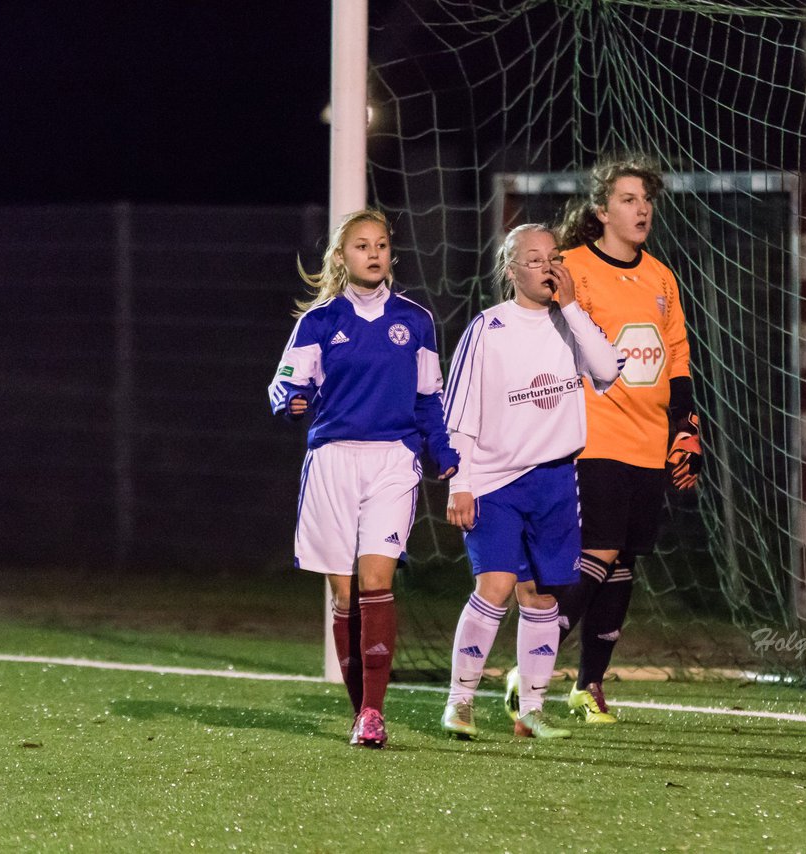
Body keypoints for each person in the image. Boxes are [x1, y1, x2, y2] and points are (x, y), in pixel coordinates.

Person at [506, 153, 701, 724]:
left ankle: (587, 686)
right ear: (601, 211)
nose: (642, 210)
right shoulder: (570, 267)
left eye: (647, 200)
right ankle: (533, 663)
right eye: (628, 200)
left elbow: (677, 356)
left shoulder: (661, 276)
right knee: (600, 550)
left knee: (623, 563)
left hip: (648, 439)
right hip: (593, 435)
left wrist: (685, 423)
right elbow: (537, 338)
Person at [267, 208, 459, 748]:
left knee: (378, 581)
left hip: (393, 461)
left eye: (380, 245)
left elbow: (429, 399)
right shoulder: (320, 323)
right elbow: (282, 387)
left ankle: (374, 711)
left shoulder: (415, 321)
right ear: (341, 258)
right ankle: (361, 712)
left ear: (389, 254)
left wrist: (441, 450)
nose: (372, 253)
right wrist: (292, 402)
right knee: (344, 593)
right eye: (360, 246)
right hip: (332, 459)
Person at [439, 223, 620, 740]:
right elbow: (461, 417)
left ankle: (531, 711)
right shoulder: (488, 328)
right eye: (534, 259)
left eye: (554, 257)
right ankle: (460, 703)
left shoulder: (572, 323)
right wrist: (460, 483)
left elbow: (607, 370)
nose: (547, 267)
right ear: (511, 270)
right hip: (496, 483)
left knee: (541, 597)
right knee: (495, 587)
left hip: (556, 480)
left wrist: (573, 309)